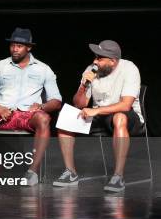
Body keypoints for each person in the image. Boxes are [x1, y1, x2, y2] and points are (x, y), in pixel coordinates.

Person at [0, 28, 62, 186]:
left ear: (29, 47)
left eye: (19, 45)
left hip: (27, 115)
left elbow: (56, 100)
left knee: (44, 119)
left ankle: (32, 172)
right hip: (2, 112)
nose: (14, 49)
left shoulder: (43, 69)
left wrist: (41, 106)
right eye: (12, 45)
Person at [54, 40, 142, 192]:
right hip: (99, 116)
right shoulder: (91, 70)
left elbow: (126, 105)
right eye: (95, 57)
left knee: (119, 117)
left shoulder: (129, 69)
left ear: (112, 61)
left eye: (99, 58)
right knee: (66, 118)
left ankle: (118, 176)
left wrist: (95, 111)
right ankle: (70, 172)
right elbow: (79, 104)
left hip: (126, 117)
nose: (95, 61)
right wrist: (84, 86)